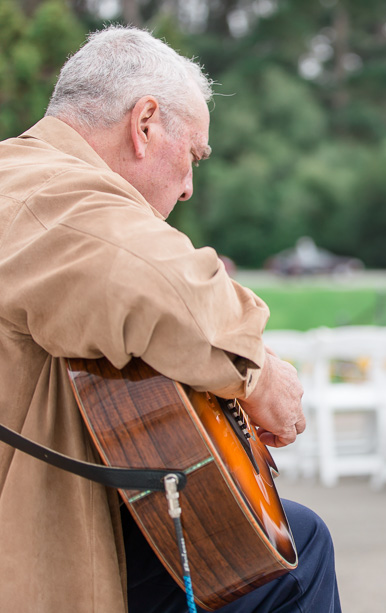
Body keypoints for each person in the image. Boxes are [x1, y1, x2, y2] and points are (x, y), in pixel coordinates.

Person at [0, 26, 340, 612]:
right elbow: (172, 293)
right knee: (294, 550)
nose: (187, 188)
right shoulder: (44, 192)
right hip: (23, 555)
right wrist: (258, 373)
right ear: (145, 123)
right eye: (194, 157)